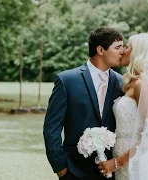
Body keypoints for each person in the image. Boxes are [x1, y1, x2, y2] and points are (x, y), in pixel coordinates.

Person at [43, 26, 124, 180]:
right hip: (74, 170)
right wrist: (61, 168)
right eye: (118, 47)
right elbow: (51, 128)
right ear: (100, 50)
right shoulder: (66, 80)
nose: (123, 51)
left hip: (112, 171)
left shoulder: (121, 82)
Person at [98, 33, 148, 180]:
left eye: (127, 46)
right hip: (121, 157)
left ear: (138, 53)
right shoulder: (130, 83)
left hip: (136, 160)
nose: (122, 50)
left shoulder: (142, 85)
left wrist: (118, 162)